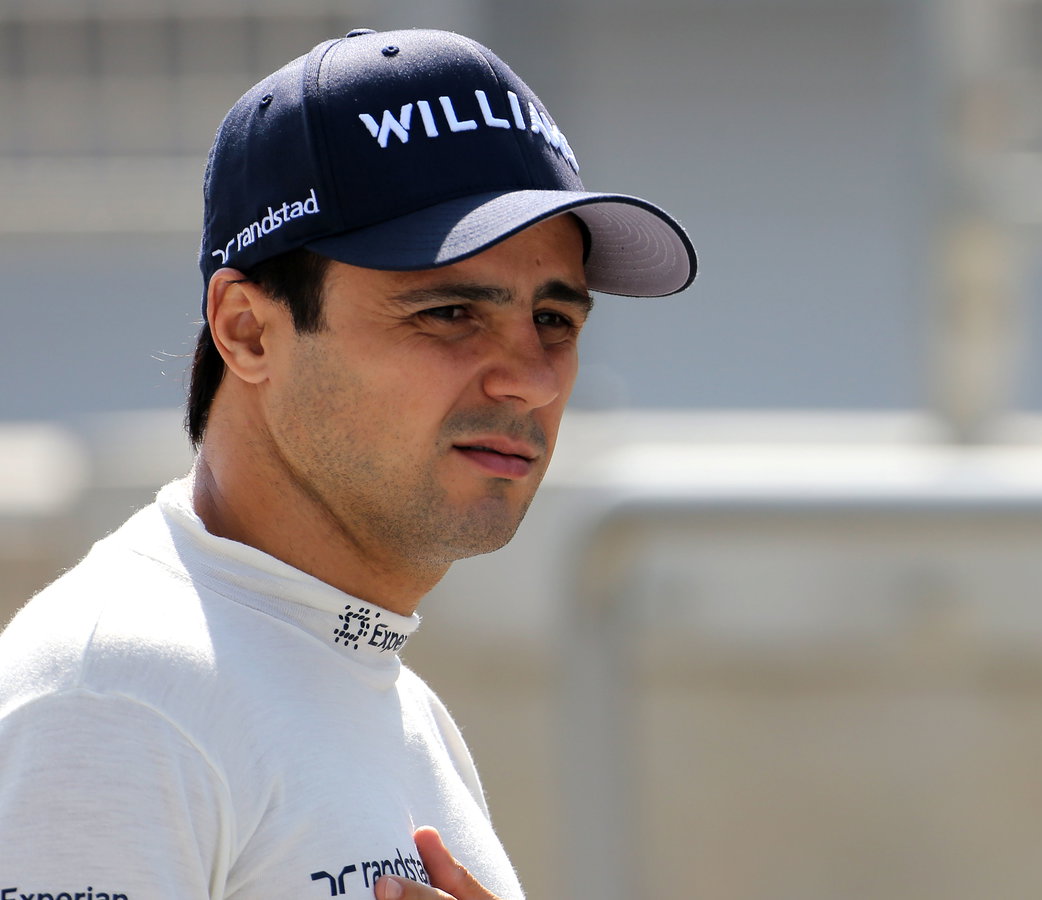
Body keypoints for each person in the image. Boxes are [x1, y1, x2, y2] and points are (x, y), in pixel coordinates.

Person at [0, 27, 695, 900]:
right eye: (449, 312)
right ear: (248, 330)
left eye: (554, 320)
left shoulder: (375, 689)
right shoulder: (115, 702)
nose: (531, 379)